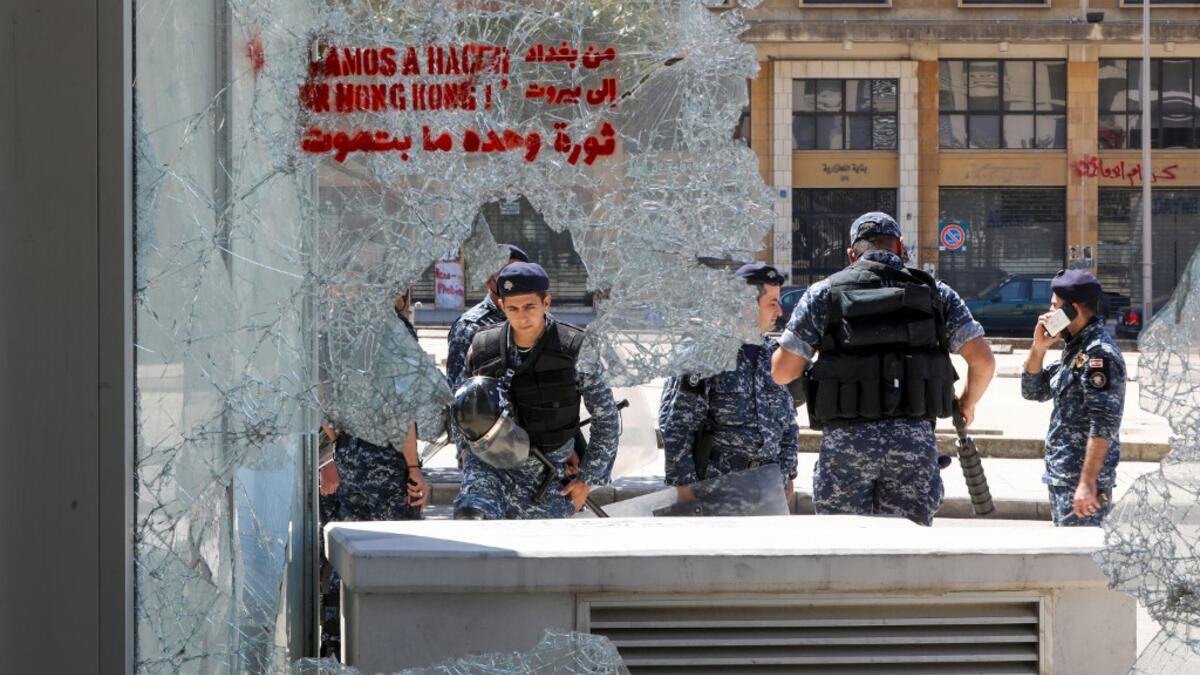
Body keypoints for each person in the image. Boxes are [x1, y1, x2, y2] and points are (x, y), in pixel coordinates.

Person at [770, 212, 996, 526]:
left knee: (843, 547)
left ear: (851, 254)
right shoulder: (936, 293)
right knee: (906, 552)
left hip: (846, 445)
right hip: (913, 443)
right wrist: (967, 402)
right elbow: (983, 361)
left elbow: (782, 372)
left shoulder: (824, 294)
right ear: (900, 247)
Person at [452, 262, 620, 519]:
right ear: (501, 306)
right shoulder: (483, 346)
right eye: (513, 308)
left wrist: (587, 480)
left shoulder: (574, 349)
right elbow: (461, 402)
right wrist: (464, 450)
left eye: (530, 306)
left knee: (539, 555)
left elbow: (606, 417)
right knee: (472, 530)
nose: (522, 316)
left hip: (545, 476)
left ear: (546, 302)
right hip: (489, 469)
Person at [658, 262, 799, 499]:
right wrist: (684, 487)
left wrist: (789, 474)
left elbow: (788, 423)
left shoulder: (773, 354)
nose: (780, 312)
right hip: (718, 490)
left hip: (768, 488)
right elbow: (677, 425)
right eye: (772, 303)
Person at [1022, 270, 1125, 527]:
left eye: (1055, 307)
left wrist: (1087, 483)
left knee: (1080, 565)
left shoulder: (1099, 355)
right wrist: (1039, 347)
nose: (1048, 312)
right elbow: (1033, 390)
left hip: (1081, 484)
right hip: (1063, 477)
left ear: (1073, 310)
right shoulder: (1075, 349)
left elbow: (1104, 425)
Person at [446, 244, 530, 464]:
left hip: (534, 442)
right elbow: (457, 392)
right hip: (489, 443)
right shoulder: (470, 326)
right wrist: (464, 447)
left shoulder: (537, 319)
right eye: (497, 270)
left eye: (510, 270)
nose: (504, 277)